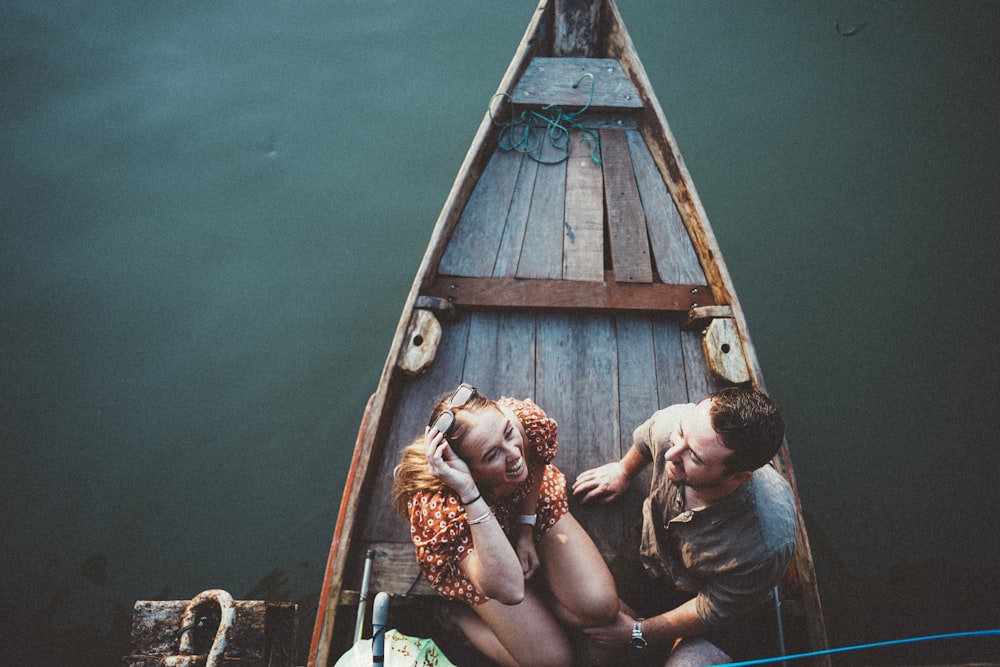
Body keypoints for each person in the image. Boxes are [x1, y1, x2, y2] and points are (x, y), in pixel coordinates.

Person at [392, 383, 619, 667]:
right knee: (554, 661)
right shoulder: (441, 506)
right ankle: (454, 616)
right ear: (465, 469)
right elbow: (509, 590)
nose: (513, 454)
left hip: (519, 507)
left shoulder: (520, 422)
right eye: (491, 455)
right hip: (478, 549)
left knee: (602, 606)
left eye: (508, 434)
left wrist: (525, 529)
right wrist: (469, 493)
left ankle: (543, 606)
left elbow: (534, 463)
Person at [572, 386, 796, 666]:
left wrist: (637, 633)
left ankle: (675, 643)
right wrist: (623, 472)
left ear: (739, 476)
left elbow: (711, 608)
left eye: (695, 457)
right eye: (680, 435)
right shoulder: (678, 425)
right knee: (595, 643)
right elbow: (646, 440)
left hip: (723, 603)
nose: (671, 454)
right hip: (654, 554)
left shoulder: (766, 544)